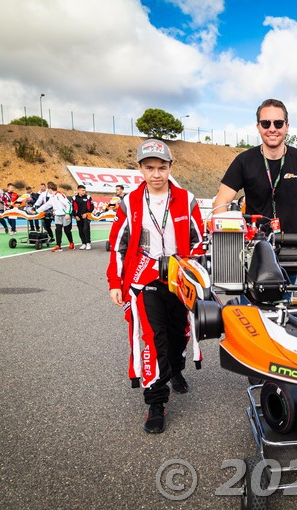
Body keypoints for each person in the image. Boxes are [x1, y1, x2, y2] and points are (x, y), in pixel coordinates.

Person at [107, 138, 204, 434]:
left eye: (162, 167)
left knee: (179, 336)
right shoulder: (130, 202)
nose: (157, 174)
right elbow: (117, 245)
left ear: (170, 167)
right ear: (140, 169)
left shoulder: (187, 199)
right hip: (143, 280)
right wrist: (115, 281)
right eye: (150, 168)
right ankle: (156, 402)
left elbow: (199, 241)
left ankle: (175, 370)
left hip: (179, 280)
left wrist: (193, 270)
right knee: (153, 339)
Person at [212, 98, 297, 235]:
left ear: (287, 126)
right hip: (255, 247)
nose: (272, 129)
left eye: (278, 123)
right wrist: (228, 241)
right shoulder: (244, 161)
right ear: (258, 127)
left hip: (294, 246)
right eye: (265, 123)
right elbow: (220, 202)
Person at [35, 182, 74, 252]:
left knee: (67, 230)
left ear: (50, 189)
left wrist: (68, 213)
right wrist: (37, 211)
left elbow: (68, 204)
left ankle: (71, 242)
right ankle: (58, 245)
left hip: (65, 215)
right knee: (58, 230)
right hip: (57, 215)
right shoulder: (52, 197)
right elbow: (47, 205)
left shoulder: (60, 195)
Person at [72, 184, 93, 249]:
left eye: (84, 190)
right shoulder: (74, 198)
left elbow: (92, 207)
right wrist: (75, 216)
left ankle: (88, 243)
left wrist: (86, 213)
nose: (84, 192)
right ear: (78, 190)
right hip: (78, 217)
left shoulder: (88, 197)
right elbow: (72, 208)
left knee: (86, 229)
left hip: (87, 216)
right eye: (82, 190)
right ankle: (83, 243)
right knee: (80, 230)